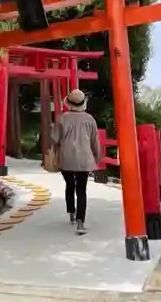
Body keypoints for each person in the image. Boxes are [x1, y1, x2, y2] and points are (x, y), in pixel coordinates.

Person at [51, 89, 101, 235]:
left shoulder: (62, 118)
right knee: (81, 190)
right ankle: (80, 224)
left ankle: (71, 213)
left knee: (69, 184)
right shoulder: (90, 120)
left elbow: (55, 140)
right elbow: (95, 142)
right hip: (84, 160)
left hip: (66, 158)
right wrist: (97, 158)